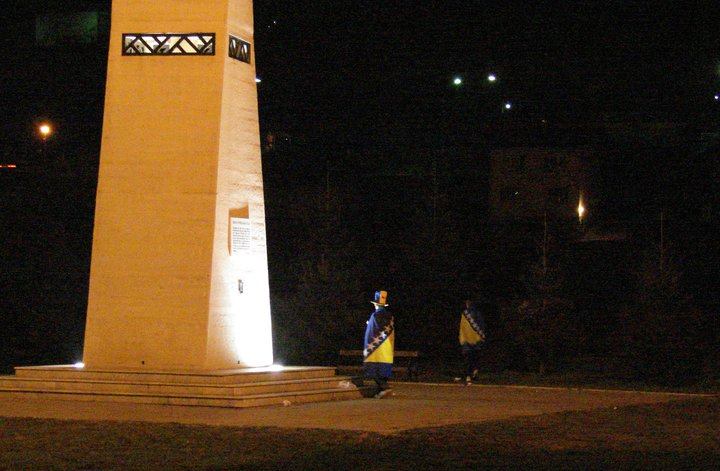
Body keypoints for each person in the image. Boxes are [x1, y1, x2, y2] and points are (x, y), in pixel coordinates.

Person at [363, 290, 395, 398]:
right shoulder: (390, 316)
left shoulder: (375, 315)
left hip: (376, 348)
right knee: (383, 370)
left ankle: (385, 388)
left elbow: (373, 330)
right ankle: (380, 391)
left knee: (374, 369)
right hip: (387, 347)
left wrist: (369, 324)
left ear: (376, 304)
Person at [459, 299, 486, 385]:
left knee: (468, 358)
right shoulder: (478, 313)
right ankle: (475, 372)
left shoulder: (465, 314)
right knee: (476, 357)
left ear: (467, 304)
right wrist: (481, 336)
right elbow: (482, 325)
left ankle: (468, 376)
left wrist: (462, 338)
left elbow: (462, 327)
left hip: (467, 340)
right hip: (476, 339)